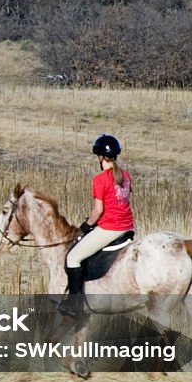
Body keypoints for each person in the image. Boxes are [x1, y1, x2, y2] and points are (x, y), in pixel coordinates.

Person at [58, 134, 134, 317]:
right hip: (127, 227)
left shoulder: (100, 179)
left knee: (73, 258)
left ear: (100, 157)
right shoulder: (125, 175)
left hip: (110, 228)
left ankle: (74, 304)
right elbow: (120, 203)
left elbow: (98, 210)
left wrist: (86, 226)